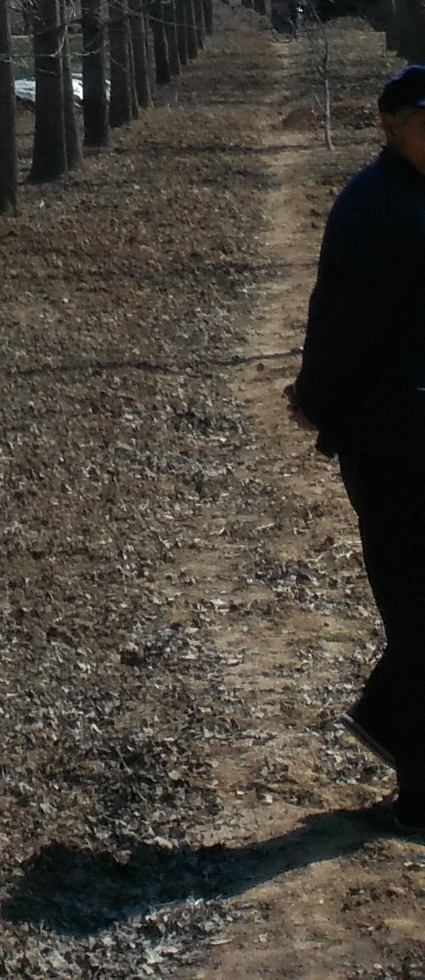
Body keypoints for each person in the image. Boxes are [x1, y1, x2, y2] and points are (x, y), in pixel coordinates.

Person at [290, 61, 425, 824]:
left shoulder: (410, 198)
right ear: (390, 126)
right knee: (417, 614)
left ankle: (385, 722)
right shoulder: (383, 211)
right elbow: (346, 327)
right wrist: (315, 402)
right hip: (395, 443)